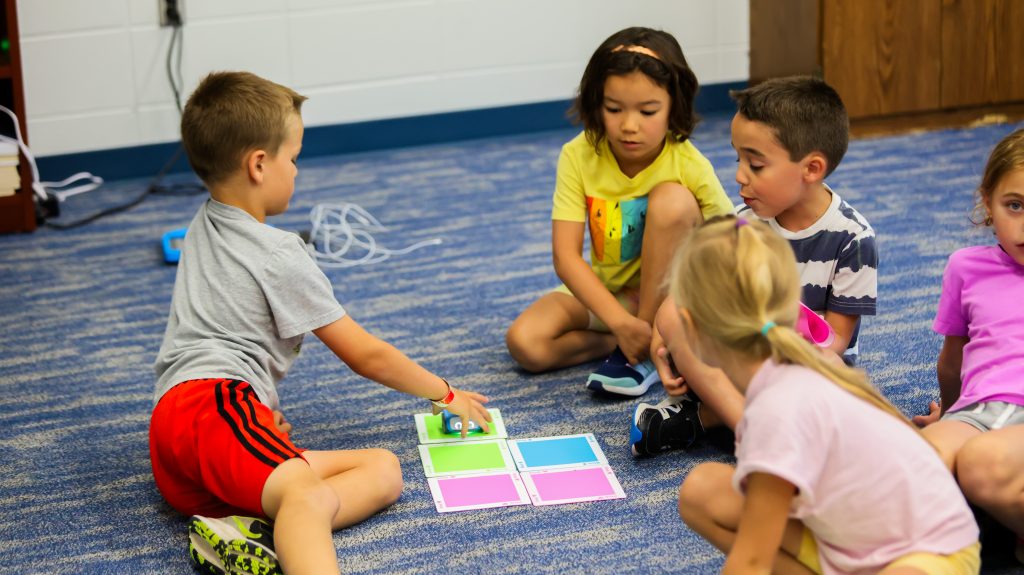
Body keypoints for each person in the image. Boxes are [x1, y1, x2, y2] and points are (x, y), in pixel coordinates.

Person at [149, 71, 491, 575]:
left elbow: (227, 330)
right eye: (294, 157)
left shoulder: (205, 222)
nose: (297, 170)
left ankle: (249, 534)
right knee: (305, 496)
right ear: (259, 164)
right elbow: (364, 354)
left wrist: (261, 416)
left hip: (182, 433)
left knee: (383, 471)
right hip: (212, 406)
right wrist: (445, 393)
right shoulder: (280, 253)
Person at [670, 215, 980, 574]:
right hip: (853, 540)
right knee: (702, 492)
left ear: (689, 326)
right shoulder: (795, 372)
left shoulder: (776, 412)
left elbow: (751, 563)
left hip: (930, 554)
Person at [630, 76, 878, 456]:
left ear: (811, 169)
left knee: (839, 377)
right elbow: (684, 297)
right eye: (738, 159)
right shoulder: (742, 222)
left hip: (800, 363)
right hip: (738, 357)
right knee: (674, 318)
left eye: (756, 164)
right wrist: (662, 344)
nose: (739, 176)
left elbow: (835, 341)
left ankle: (706, 419)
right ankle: (746, 422)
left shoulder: (853, 238)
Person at [505, 26, 733, 397]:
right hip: (614, 295)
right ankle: (629, 340)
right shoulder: (577, 155)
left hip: (673, 299)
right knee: (525, 343)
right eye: (614, 109)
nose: (629, 125)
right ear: (597, 103)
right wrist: (620, 323)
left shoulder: (687, 162)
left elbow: (734, 237)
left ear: (674, 105)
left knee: (672, 200)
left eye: (648, 110)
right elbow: (565, 257)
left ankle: (641, 352)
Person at [912, 127, 1024, 564]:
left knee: (979, 463)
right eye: (1014, 205)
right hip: (980, 411)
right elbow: (952, 360)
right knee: (913, 461)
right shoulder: (966, 267)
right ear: (988, 202)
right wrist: (950, 414)